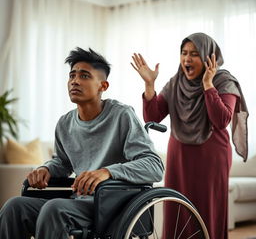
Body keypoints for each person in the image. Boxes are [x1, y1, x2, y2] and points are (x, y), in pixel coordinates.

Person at [0, 47, 164, 239]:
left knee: (54, 209)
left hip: (113, 205)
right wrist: (46, 169)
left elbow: (155, 166)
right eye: (72, 76)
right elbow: (62, 162)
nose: (75, 81)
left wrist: (107, 172)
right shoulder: (65, 123)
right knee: (14, 206)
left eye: (84, 76)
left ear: (103, 86)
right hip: (79, 202)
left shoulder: (122, 115)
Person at [131, 32, 249, 239]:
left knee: (207, 209)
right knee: (176, 207)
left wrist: (208, 85)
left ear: (208, 56)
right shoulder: (176, 82)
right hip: (179, 156)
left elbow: (221, 120)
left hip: (211, 158)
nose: (187, 58)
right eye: (183, 53)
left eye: (194, 54)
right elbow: (153, 116)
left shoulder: (224, 81)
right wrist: (150, 85)